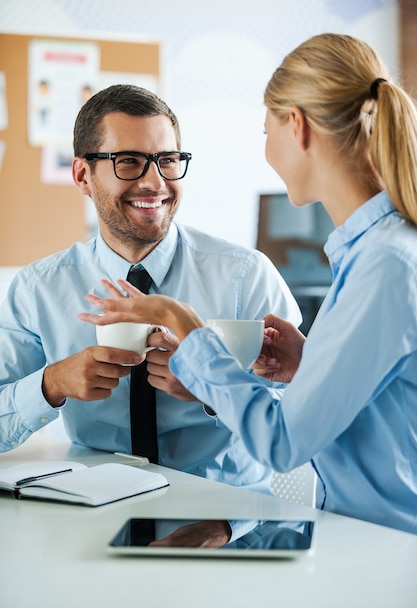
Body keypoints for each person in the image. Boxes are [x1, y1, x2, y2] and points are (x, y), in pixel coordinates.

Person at [79, 34, 417, 535]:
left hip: (383, 548)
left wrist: (186, 327)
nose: (266, 151)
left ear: (297, 126)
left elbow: (280, 444)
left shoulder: (383, 264)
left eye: (266, 130)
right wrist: (312, 367)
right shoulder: (379, 253)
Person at [0, 84, 301, 501]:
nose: (155, 182)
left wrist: (214, 388)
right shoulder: (39, 289)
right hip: (91, 513)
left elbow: (306, 414)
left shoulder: (245, 276)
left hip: (226, 514)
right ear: (83, 176)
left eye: (168, 161)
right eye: (129, 162)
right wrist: (52, 383)